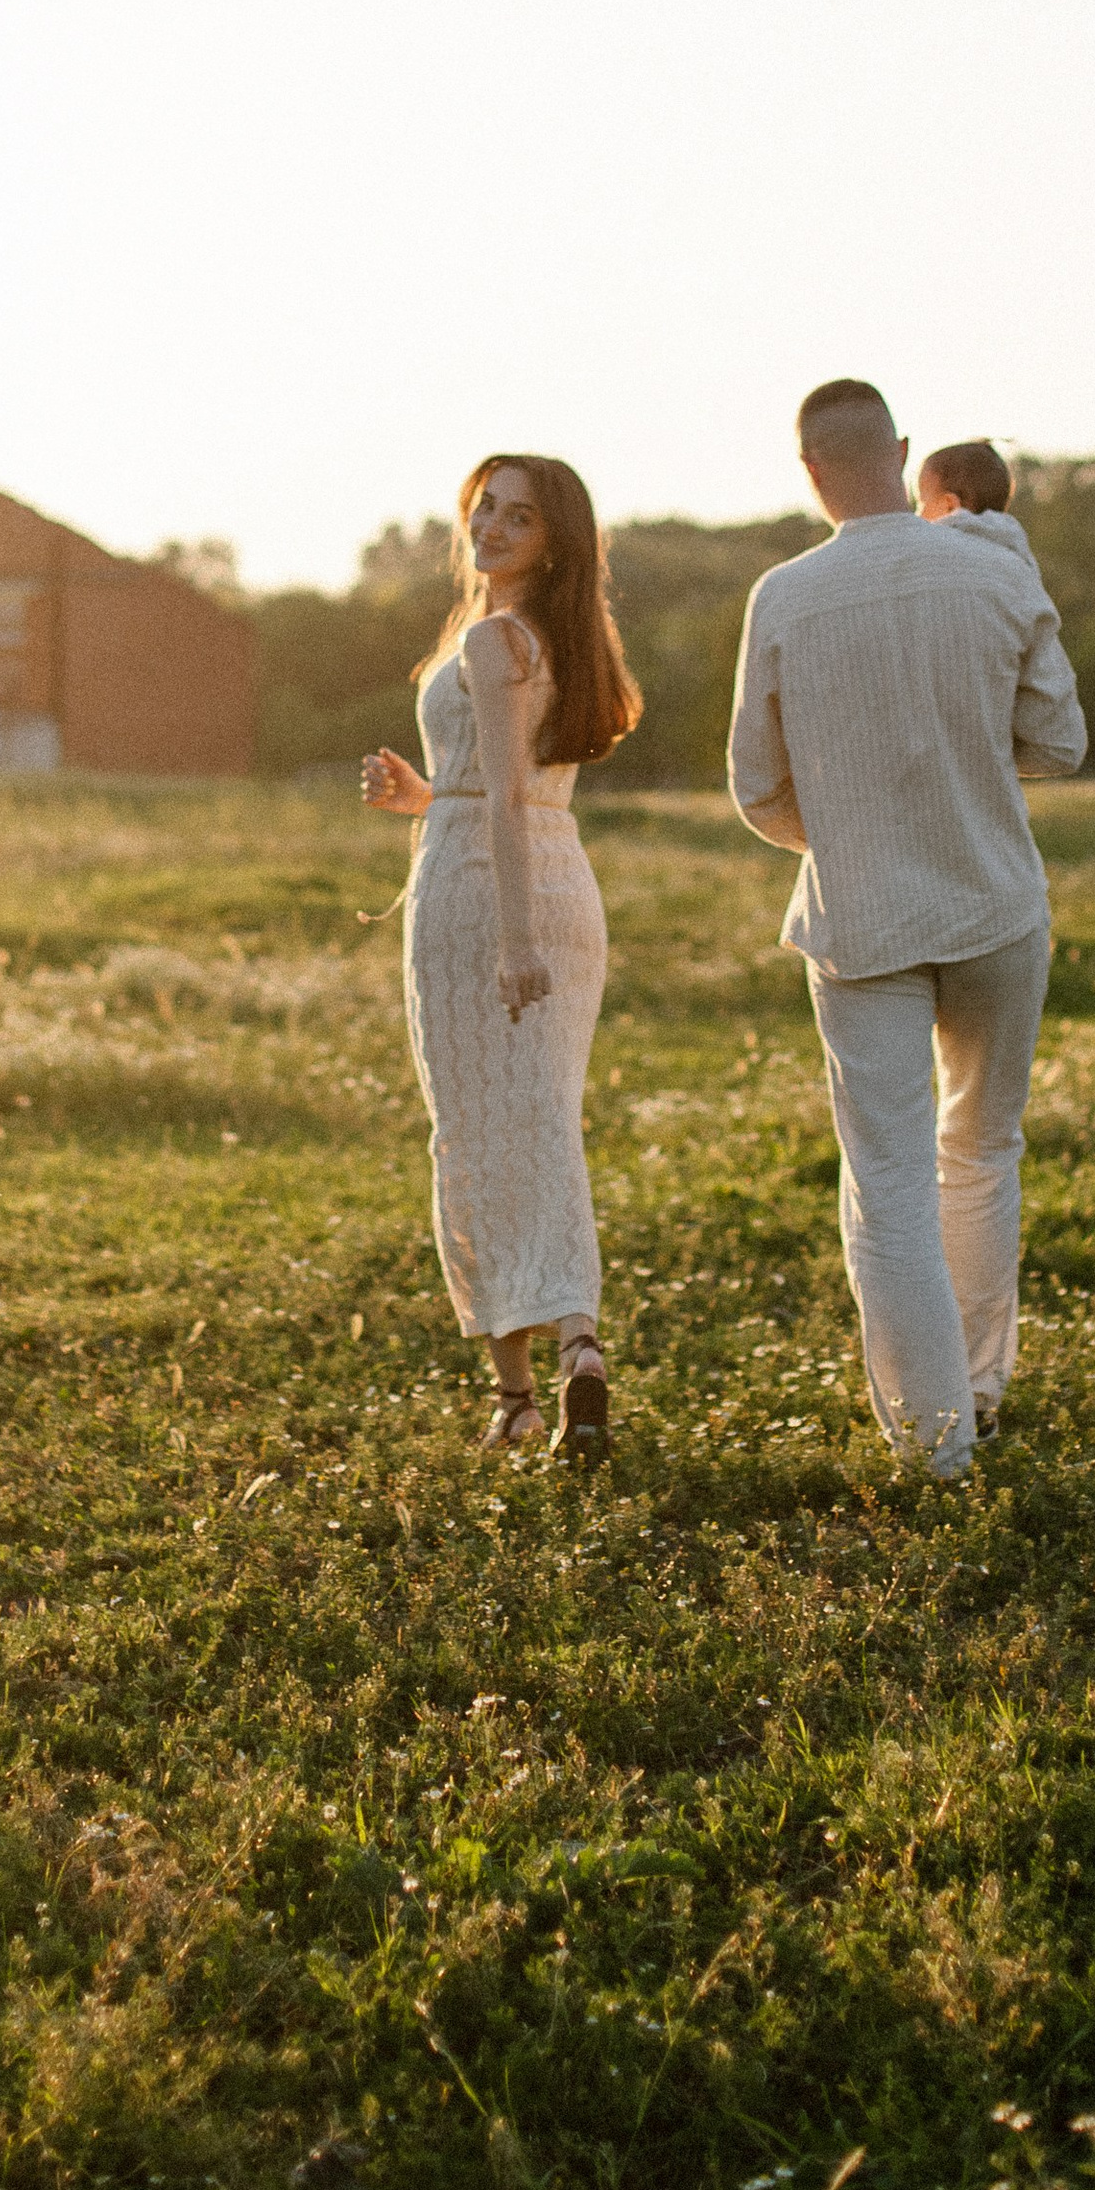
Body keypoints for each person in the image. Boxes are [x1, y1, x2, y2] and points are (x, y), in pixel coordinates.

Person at [728, 380, 1086, 1475]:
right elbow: (1059, 743)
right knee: (981, 1148)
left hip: (861, 920)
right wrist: (966, 770)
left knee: (885, 1179)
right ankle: (978, 1390)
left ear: (808, 470)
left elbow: (754, 787)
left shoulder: (782, 597)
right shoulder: (997, 570)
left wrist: (845, 830)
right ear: (903, 450)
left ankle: (933, 1447)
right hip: (991, 902)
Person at [362, 457, 641, 1461]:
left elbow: (508, 801)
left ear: (553, 541)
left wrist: (515, 939)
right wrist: (426, 797)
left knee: (477, 1132)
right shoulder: (561, 640)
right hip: (556, 875)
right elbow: (509, 787)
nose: (491, 525)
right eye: (486, 506)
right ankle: (578, 1347)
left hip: (488, 895)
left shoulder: (490, 639)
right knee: (543, 1119)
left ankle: (522, 1391)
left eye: (519, 516)